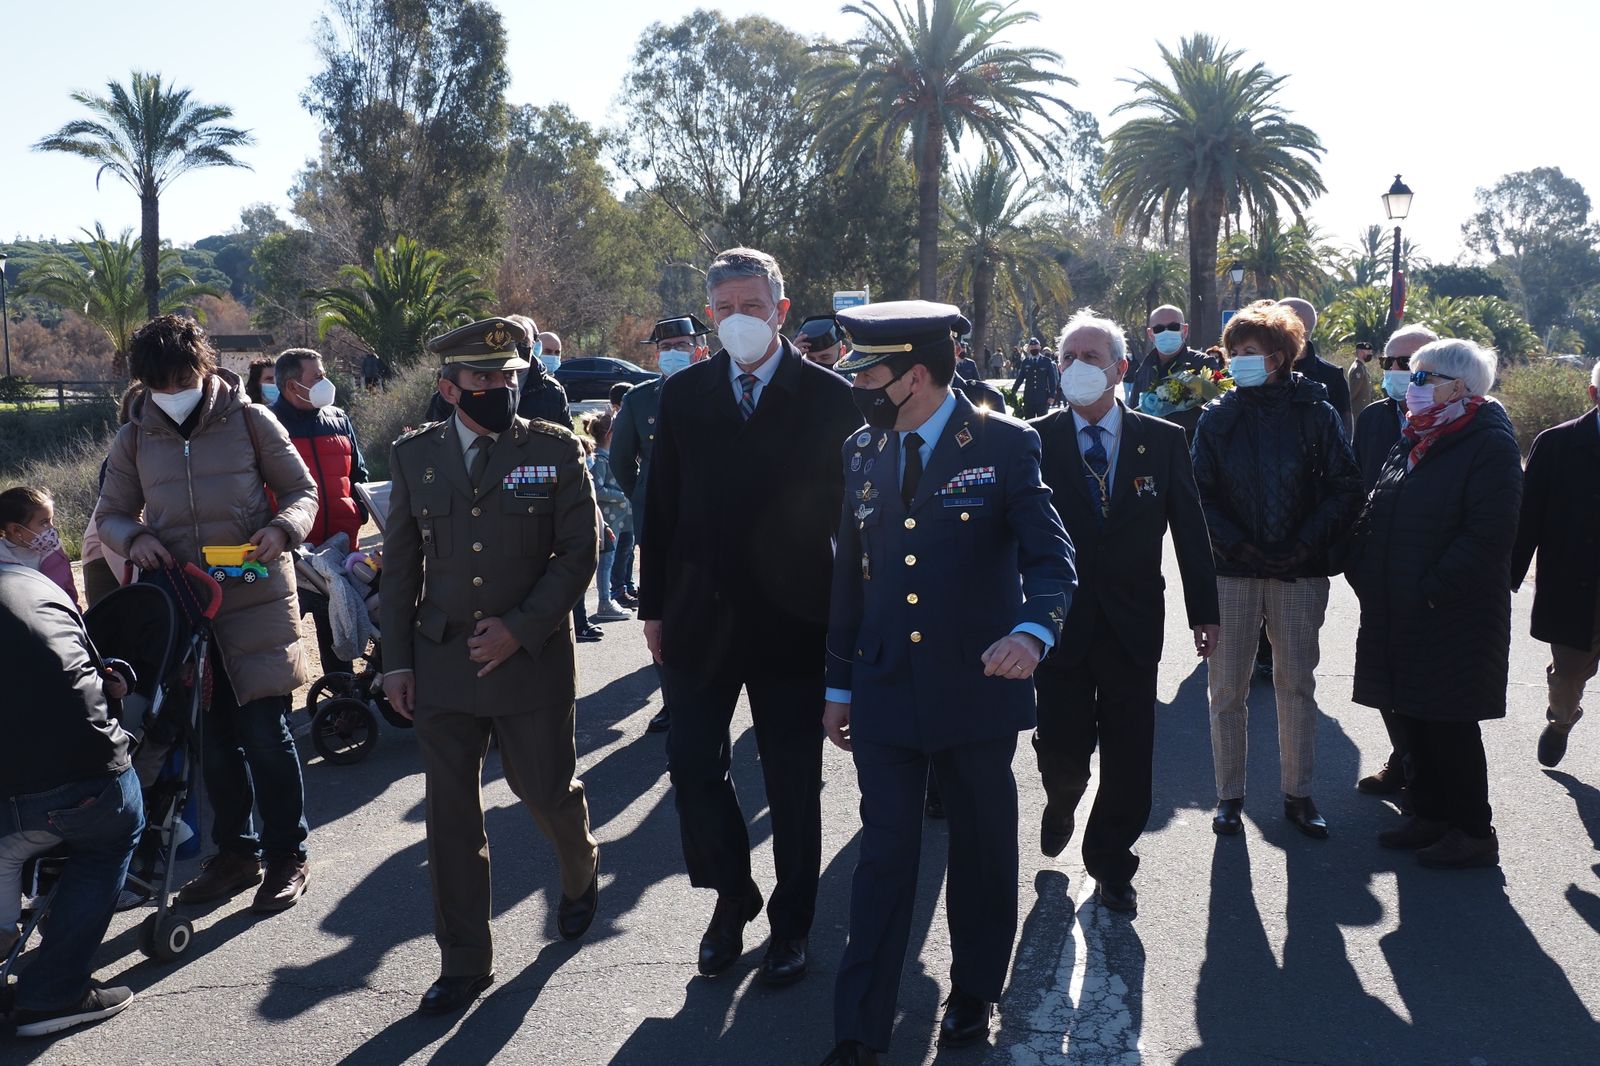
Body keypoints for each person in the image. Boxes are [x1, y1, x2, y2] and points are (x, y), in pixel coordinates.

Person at [819, 301, 1074, 1066]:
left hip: (976, 687)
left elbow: (1052, 560)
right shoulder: (862, 449)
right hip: (887, 687)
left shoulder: (1003, 444)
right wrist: (837, 685)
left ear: (915, 374)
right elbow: (849, 578)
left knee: (983, 853)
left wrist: (1032, 632)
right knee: (885, 858)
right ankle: (859, 1030)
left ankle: (973, 994)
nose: (856, 383)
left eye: (867, 371)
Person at [640, 248, 858, 988]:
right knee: (694, 767)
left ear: (782, 310)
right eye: (726, 308)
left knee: (794, 782)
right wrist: (652, 607)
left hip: (797, 622)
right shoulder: (684, 394)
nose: (740, 320)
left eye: (753, 306)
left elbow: (856, 525)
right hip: (698, 617)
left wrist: (852, 629)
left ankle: (792, 922)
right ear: (710, 315)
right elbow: (659, 508)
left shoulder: (832, 398)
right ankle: (732, 895)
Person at [380, 316, 601, 1016]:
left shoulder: (555, 450)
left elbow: (579, 552)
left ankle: (580, 866)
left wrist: (521, 629)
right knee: (451, 821)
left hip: (530, 660)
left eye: (507, 377)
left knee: (547, 793)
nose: (498, 389)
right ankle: (465, 961)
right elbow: (401, 571)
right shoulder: (415, 457)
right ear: (449, 389)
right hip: (443, 661)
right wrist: (394, 664)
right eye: (482, 379)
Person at [97, 315, 318, 913]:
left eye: (180, 381)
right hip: (185, 609)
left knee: (265, 734)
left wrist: (281, 528)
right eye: (157, 387)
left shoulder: (251, 420)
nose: (171, 396)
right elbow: (111, 514)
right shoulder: (135, 437)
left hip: (259, 599)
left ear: (202, 367)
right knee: (212, 742)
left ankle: (286, 855)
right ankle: (236, 855)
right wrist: (132, 539)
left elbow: (304, 493)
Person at [1030, 310, 1219, 915]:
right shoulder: (1031, 440)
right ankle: (1062, 800)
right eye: (1068, 358)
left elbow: (1190, 530)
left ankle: (1112, 860)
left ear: (1120, 368)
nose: (1077, 368)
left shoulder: (1162, 441)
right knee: (1061, 746)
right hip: (1057, 626)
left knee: (1131, 751)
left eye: (1091, 357)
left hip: (1134, 623)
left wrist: (1204, 611)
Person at [1346, 339, 1521, 868]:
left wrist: (1430, 588)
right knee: (1412, 714)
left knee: (1449, 724)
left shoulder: (1487, 442)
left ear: (1459, 386)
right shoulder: (1418, 434)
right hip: (1401, 601)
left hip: (1450, 610)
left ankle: (1472, 829)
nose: (1412, 386)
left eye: (1424, 377)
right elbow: (1383, 505)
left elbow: (1488, 535)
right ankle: (1430, 814)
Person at [1190, 302, 1361, 839]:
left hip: (1298, 572)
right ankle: (1228, 796)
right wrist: (1238, 545)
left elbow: (1343, 486)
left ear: (1281, 357)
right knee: (1226, 691)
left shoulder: (1317, 412)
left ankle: (1299, 794)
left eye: (1252, 352)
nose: (1239, 360)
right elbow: (1199, 494)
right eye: (1234, 351)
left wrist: (1302, 544)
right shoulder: (1217, 416)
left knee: (1296, 685)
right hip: (1230, 573)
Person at [0, 563, 142, 1038]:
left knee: (8, 844)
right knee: (110, 839)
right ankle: (53, 991)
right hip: (86, 780)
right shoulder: (35, 584)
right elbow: (94, 677)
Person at [1349, 324, 1438, 797]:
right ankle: (1404, 757)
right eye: (1391, 363)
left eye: (1410, 363)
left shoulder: (1460, 420)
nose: (1399, 372)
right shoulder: (1373, 419)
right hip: (1377, 569)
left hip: (1431, 574)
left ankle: (1427, 775)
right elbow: (1359, 488)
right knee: (1383, 673)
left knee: (1429, 679)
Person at [616, 314, 710, 734]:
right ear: (656, 354)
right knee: (663, 614)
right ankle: (673, 701)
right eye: (666, 347)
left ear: (699, 347)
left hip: (715, 521)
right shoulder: (639, 399)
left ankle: (715, 697)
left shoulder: (719, 388)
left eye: (682, 345)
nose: (674, 353)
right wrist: (646, 497)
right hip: (661, 527)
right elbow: (621, 461)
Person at [1512, 359, 1600, 769]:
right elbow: (1527, 517)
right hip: (1576, 585)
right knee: (1569, 676)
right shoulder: (1557, 444)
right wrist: (1507, 576)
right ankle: (1562, 722)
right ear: (1593, 394)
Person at [268, 347, 371, 677]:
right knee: (280, 645)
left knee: (339, 639)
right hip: (290, 559)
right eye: (318, 377)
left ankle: (342, 709)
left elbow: (359, 474)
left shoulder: (339, 418)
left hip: (337, 554)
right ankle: (279, 713)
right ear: (292, 386)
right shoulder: (267, 426)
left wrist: (358, 512)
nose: (326, 382)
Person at [1127, 305, 1224, 442]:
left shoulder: (1204, 364)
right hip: (1153, 450)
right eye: (1159, 329)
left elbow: (1219, 406)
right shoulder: (1144, 370)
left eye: (1173, 327)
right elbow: (1133, 413)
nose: (1166, 332)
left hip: (1191, 449)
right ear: (1150, 334)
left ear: (1184, 330)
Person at [1279, 297, 1352, 439]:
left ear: (1299, 326)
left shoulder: (1332, 377)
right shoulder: (1265, 370)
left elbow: (1345, 435)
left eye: (1277, 322)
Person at [585, 409, 632, 624]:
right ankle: (604, 601)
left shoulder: (611, 457)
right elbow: (598, 488)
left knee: (611, 561)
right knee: (606, 562)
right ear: (610, 435)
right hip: (607, 520)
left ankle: (611, 597)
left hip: (617, 520)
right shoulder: (601, 461)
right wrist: (622, 495)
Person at [0, 486, 78, 603]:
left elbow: (70, 597)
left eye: (51, 520)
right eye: (44, 523)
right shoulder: (3, 563)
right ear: (15, 529)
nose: (52, 528)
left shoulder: (56, 554)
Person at [1010, 336, 1058, 418]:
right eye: (1031, 347)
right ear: (1028, 348)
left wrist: (1052, 396)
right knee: (1029, 422)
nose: (1033, 348)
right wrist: (1013, 391)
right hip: (1029, 398)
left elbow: (1052, 380)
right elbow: (1020, 378)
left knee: (1042, 423)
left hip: (1043, 398)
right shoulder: (1025, 362)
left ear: (1039, 347)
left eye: (1035, 346)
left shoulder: (1046, 361)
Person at [1345, 342, 1377, 418]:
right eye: (1368, 352)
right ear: (1360, 352)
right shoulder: (1358, 369)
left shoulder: (1361, 367)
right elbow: (1353, 392)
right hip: (1358, 411)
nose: (1370, 354)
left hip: (1363, 409)